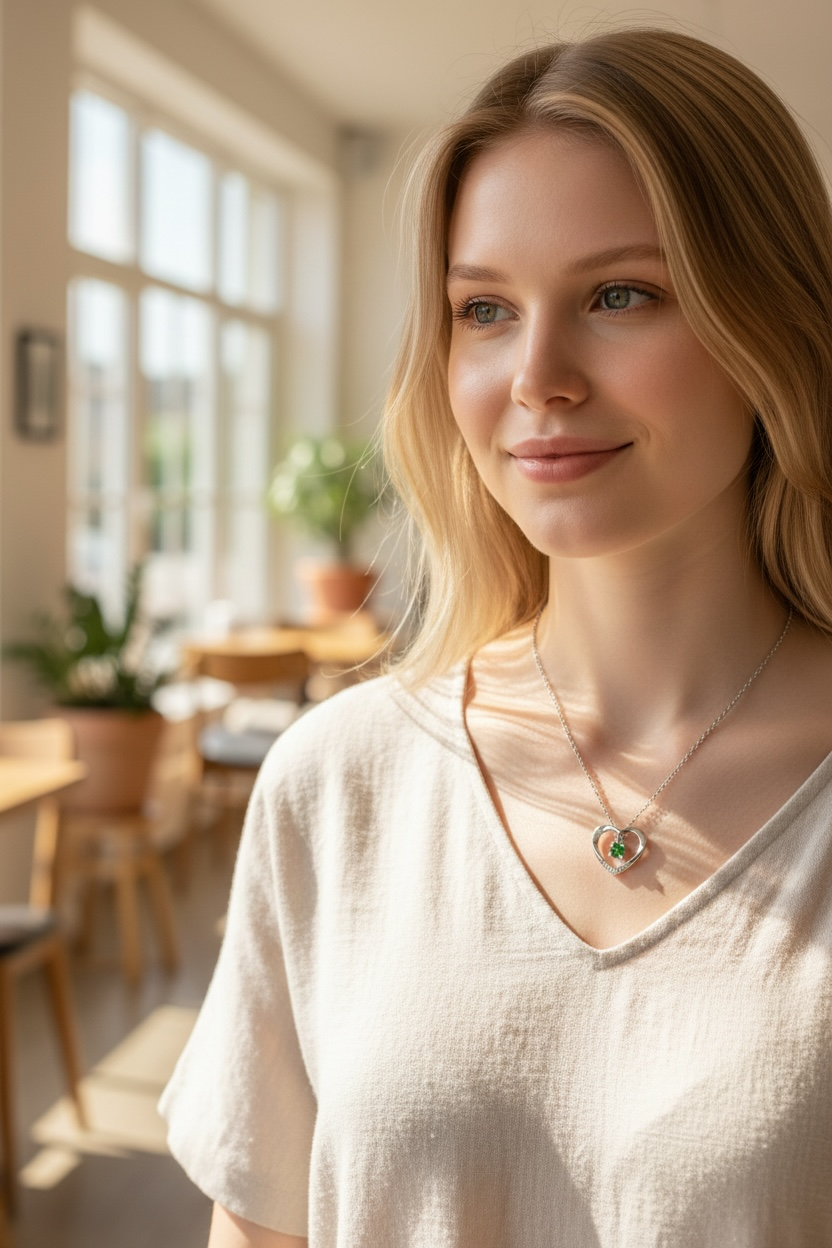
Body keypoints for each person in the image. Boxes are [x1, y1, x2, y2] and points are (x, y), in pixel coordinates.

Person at [160, 26, 832, 1247]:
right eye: (482, 309)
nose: (538, 375)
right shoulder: (337, 782)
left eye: (619, 295)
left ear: (771, 322)